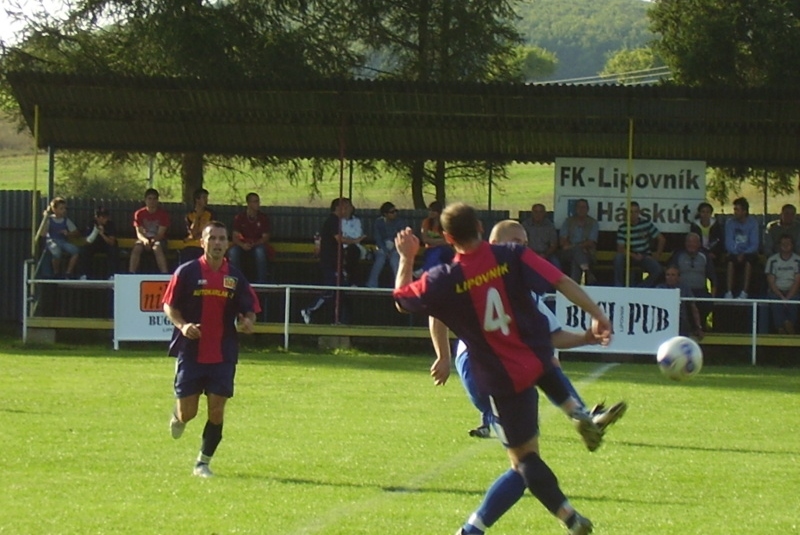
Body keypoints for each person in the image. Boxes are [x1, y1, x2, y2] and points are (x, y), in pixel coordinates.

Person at [393, 203, 612, 535]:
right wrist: (597, 315)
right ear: (481, 227)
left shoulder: (445, 278)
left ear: (448, 237)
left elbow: (400, 299)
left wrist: (407, 256)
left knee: (524, 463)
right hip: (537, 356)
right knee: (543, 367)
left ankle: (566, 518)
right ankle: (575, 411)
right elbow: (563, 280)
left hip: (502, 378)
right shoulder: (511, 256)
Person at [456, 220, 626, 443]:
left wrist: (586, 337)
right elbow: (435, 311)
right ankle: (494, 421)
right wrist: (440, 355)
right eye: (516, 241)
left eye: (525, 243)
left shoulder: (526, 290)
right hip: (474, 361)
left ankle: (581, 416)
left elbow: (553, 336)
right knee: (520, 446)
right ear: (494, 243)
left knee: (545, 367)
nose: (522, 248)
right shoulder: (468, 274)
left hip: (508, 363)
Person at [162, 221, 260, 478]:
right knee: (189, 413)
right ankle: (178, 415)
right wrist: (183, 327)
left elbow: (249, 307)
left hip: (223, 352)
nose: (217, 243)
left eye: (221, 238)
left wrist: (248, 321)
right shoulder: (187, 272)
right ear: (202, 242)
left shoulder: (235, 277)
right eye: (212, 238)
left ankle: (202, 463)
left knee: (217, 411)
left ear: (228, 243)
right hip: (192, 352)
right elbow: (168, 305)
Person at [301, 197, 351, 324]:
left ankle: (336, 319)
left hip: (335, 261)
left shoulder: (337, 221)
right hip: (330, 262)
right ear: (338, 208)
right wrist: (356, 240)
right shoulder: (333, 221)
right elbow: (339, 239)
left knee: (339, 292)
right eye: (345, 207)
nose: (348, 210)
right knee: (330, 290)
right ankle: (309, 309)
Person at [667, 232, 716, 330]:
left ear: (699, 244)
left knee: (707, 303)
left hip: (700, 290)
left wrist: (712, 297)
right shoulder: (678, 255)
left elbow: (713, 278)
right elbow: (671, 271)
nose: (691, 245)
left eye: (694, 242)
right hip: (682, 290)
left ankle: (700, 326)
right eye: (689, 242)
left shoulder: (704, 256)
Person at [613, 201, 665, 287]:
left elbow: (661, 239)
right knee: (618, 258)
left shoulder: (646, 224)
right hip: (629, 256)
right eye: (631, 212)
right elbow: (620, 248)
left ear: (639, 212)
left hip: (644, 255)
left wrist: (657, 255)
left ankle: (641, 288)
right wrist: (634, 255)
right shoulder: (623, 227)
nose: (633, 214)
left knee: (658, 269)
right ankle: (619, 286)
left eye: (635, 211)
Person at [228, 192, 273, 284]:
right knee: (233, 252)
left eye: (258, 201)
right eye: (255, 201)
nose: (258, 204)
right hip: (242, 244)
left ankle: (262, 283)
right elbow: (235, 236)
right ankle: (236, 281)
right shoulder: (240, 217)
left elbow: (265, 237)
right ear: (248, 203)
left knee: (260, 252)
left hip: (257, 244)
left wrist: (254, 244)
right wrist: (242, 244)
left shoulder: (263, 218)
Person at [724, 197, 760, 299]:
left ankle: (744, 292)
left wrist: (744, 253)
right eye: (734, 209)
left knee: (749, 262)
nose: (734, 212)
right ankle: (729, 292)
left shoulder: (753, 223)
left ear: (744, 211)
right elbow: (729, 242)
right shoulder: (730, 223)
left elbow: (754, 244)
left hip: (749, 252)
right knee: (730, 261)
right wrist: (736, 252)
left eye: (737, 209)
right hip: (734, 252)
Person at [36, 197, 80, 278]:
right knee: (56, 252)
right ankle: (56, 272)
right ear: (54, 209)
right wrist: (45, 218)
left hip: (62, 241)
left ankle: (68, 273)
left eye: (64, 208)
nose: (64, 210)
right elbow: (43, 234)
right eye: (61, 208)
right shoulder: (49, 219)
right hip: (51, 241)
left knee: (75, 251)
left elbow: (76, 232)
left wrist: (68, 233)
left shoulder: (66, 220)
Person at [129, 188, 170, 274]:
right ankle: (131, 273)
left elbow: (161, 233)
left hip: (159, 240)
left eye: (154, 199)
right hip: (144, 239)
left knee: (157, 247)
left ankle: (164, 273)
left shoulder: (163, 214)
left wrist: (152, 241)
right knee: (137, 247)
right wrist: (145, 241)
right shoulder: (139, 214)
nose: (152, 201)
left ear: (157, 200)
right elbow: (139, 232)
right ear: (145, 200)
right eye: (149, 198)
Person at [764, 234, 800, 334]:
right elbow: (770, 281)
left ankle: (787, 325)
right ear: (779, 245)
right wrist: (782, 297)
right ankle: (783, 326)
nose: (785, 245)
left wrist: (787, 298)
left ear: (793, 245)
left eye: (788, 243)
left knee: (794, 301)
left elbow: (798, 281)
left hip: (793, 291)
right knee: (775, 302)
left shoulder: (798, 260)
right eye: (783, 243)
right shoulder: (772, 260)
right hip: (776, 291)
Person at [656, 265, 704, 339]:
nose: (670, 277)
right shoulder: (659, 288)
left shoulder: (685, 288)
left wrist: (698, 327)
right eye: (668, 275)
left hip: (681, 322)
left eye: (673, 275)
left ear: (678, 277)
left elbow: (693, 308)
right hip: (663, 320)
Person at [559, 198, 599, 284]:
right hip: (567, 253)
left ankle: (574, 285)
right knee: (577, 252)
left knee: (576, 260)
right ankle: (587, 272)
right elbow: (563, 241)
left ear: (587, 209)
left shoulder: (593, 223)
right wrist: (578, 247)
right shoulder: (568, 221)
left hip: (588, 253)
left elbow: (591, 242)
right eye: (579, 207)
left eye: (583, 207)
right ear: (575, 209)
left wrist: (574, 247)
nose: (581, 210)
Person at [366, 202, 406, 288]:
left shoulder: (400, 222)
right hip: (382, 247)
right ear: (385, 214)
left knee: (395, 260)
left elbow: (401, 237)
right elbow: (378, 238)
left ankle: (400, 285)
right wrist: (385, 250)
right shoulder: (378, 222)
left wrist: (393, 249)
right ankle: (372, 284)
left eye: (396, 211)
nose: (395, 213)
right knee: (380, 260)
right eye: (392, 212)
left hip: (396, 247)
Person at [79, 206, 119, 279]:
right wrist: (95, 231)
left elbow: (112, 242)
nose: (105, 219)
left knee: (113, 250)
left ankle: (112, 275)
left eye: (106, 216)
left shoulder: (110, 224)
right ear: (97, 217)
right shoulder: (91, 224)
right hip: (95, 244)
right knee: (85, 250)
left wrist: (102, 234)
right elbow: (87, 242)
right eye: (102, 217)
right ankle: (85, 275)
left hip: (106, 245)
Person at [522, 203, 561, 269]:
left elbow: (554, 244)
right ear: (532, 213)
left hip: (546, 254)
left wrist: (545, 254)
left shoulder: (549, 226)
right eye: (536, 212)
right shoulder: (525, 225)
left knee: (556, 264)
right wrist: (531, 254)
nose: (538, 214)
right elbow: (522, 243)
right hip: (529, 254)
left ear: (544, 213)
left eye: (540, 212)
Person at [419, 200, 454, 273]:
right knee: (438, 262)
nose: (431, 213)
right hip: (430, 250)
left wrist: (432, 241)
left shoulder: (445, 223)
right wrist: (440, 241)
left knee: (438, 250)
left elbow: (448, 241)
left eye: (433, 211)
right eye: (430, 210)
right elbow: (425, 239)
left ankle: (424, 270)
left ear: (439, 212)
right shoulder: (426, 222)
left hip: (445, 250)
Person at [182, 188, 215, 262]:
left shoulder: (210, 214)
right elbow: (192, 233)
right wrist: (197, 217)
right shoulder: (189, 215)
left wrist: (199, 235)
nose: (206, 200)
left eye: (207, 198)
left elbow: (212, 230)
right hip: (192, 242)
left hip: (205, 241)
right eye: (204, 198)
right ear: (197, 200)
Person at [340, 200, 367, 286]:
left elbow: (357, 235)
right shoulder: (338, 221)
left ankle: (352, 281)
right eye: (344, 207)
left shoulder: (356, 221)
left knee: (353, 251)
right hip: (340, 245)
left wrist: (347, 237)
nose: (346, 209)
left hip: (354, 246)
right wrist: (349, 237)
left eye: (348, 206)